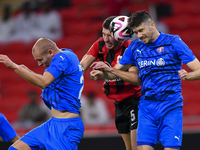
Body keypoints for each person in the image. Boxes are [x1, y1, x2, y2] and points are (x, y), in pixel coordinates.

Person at [90, 10, 200, 150]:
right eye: (136, 32)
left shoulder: (174, 42)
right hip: (147, 107)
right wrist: (103, 74)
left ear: (152, 25)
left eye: (141, 30)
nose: (139, 35)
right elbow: (116, 72)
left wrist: (188, 76)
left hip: (170, 106)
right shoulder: (135, 47)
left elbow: (198, 69)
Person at [0, 38, 84, 150]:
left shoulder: (62, 58)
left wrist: (15, 67)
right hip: (52, 124)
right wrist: (26, 71)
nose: (39, 64)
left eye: (40, 59)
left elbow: (43, 82)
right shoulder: (66, 54)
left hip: (66, 127)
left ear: (50, 52)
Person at [80, 16, 141, 150]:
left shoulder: (130, 48)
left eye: (110, 35)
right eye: (104, 34)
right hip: (119, 103)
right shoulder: (99, 44)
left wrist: (107, 71)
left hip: (135, 100)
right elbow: (81, 67)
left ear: (120, 34)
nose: (106, 39)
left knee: (137, 148)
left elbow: (135, 78)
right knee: (129, 148)